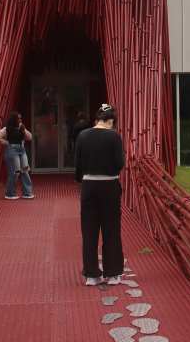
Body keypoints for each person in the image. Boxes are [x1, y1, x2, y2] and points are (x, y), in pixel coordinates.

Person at [75, 103, 125, 287]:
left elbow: (78, 163)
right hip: (109, 184)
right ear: (111, 120)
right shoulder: (114, 136)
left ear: (97, 119)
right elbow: (119, 163)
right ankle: (112, 274)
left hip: (89, 184)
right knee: (111, 229)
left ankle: (92, 274)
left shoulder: (83, 135)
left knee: (89, 230)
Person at [0, 111, 33, 200]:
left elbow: (29, 138)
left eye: (21, 118)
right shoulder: (7, 128)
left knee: (25, 170)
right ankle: (10, 193)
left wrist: (24, 130)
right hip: (12, 150)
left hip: (22, 149)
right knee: (15, 172)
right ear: (14, 119)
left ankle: (27, 193)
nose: (20, 120)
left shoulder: (21, 127)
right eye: (18, 119)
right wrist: (6, 143)